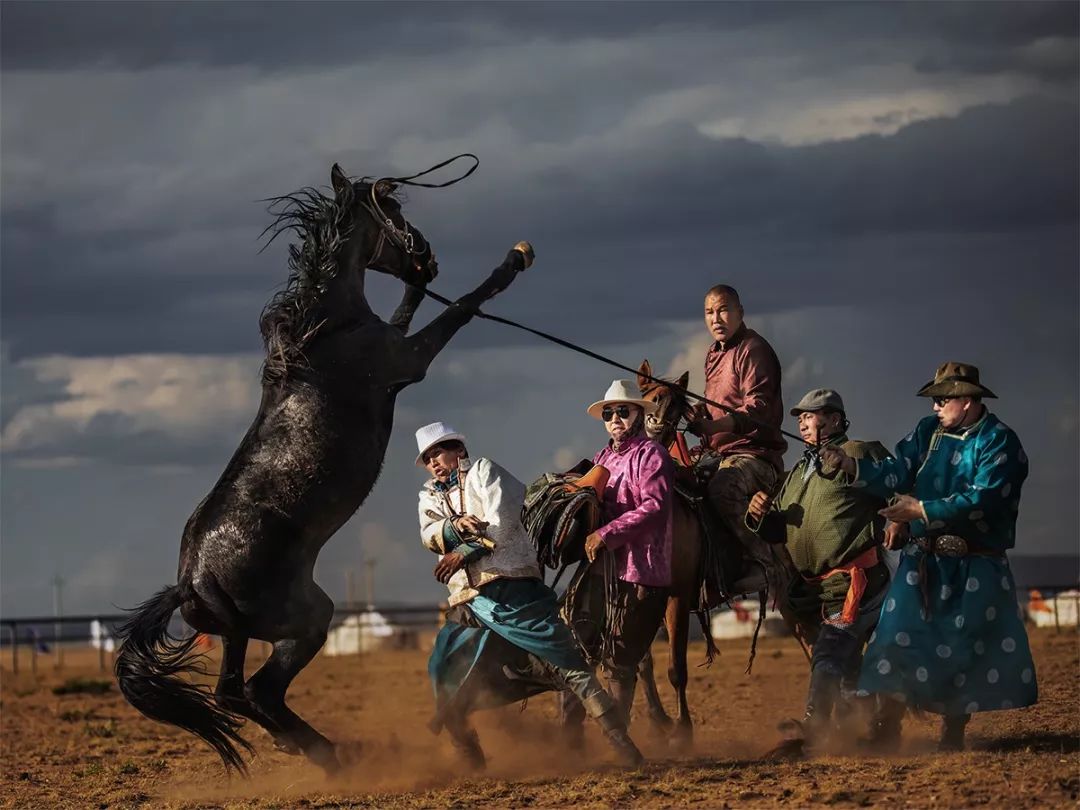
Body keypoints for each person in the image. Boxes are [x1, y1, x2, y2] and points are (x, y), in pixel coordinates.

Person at [822, 362, 1036, 752]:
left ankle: (953, 730)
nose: (935, 407)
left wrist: (919, 512)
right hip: (922, 562)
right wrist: (851, 465)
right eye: (934, 400)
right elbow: (897, 470)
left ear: (968, 400)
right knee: (894, 640)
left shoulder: (999, 442)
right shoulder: (927, 433)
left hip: (975, 564)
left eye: (943, 400)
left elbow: (985, 497)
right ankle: (887, 726)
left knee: (961, 647)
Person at [415, 421, 643, 768]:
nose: (433, 461)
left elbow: (502, 521)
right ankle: (469, 753)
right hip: (468, 600)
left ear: (458, 449)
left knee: (566, 661)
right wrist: (454, 527)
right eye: (428, 456)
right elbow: (429, 532)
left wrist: (464, 550)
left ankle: (620, 741)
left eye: (439, 451)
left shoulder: (484, 470)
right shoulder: (429, 496)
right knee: (441, 669)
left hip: (511, 586)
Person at [746, 389, 893, 755]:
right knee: (846, 667)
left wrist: (850, 466)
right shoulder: (798, 473)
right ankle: (874, 728)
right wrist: (759, 514)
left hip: (856, 582)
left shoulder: (859, 452)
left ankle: (813, 731)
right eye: (800, 416)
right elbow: (778, 530)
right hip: (818, 590)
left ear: (835, 419)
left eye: (810, 414)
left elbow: (894, 486)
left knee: (829, 652)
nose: (801, 420)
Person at [562, 380, 674, 731]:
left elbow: (655, 506)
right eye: (608, 414)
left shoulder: (652, 455)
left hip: (641, 570)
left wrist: (606, 533)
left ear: (639, 414)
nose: (614, 419)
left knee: (620, 661)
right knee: (577, 647)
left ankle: (618, 739)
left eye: (622, 412)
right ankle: (570, 736)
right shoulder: (602, 458)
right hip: (601, 568)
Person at [688, 284, 791, 600]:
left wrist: (715, 424)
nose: (715, 318)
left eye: (722, 309)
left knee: (723, 487)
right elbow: (714, 401)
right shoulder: (712, 353)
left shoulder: (752, 349)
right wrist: (694, 410)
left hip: (755, 455)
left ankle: (763, 562)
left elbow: (757, 407)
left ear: (739, 312)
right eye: (709, 312)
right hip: (717, 451)